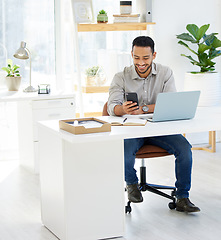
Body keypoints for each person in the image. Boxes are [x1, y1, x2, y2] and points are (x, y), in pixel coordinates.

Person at [107, 36, 200, 213]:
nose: (140, 62)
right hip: (132, 130)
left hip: (160, 128)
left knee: (185, 149)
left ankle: (182, 196)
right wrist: (122, 109)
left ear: (154, 55)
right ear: (132, 55)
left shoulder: (165, 73)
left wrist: (143, 108)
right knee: (124, 152)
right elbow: (112, 107)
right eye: (136, 57)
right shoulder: (121, 77)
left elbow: (171, 103)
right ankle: (132, 184)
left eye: (145, 58)